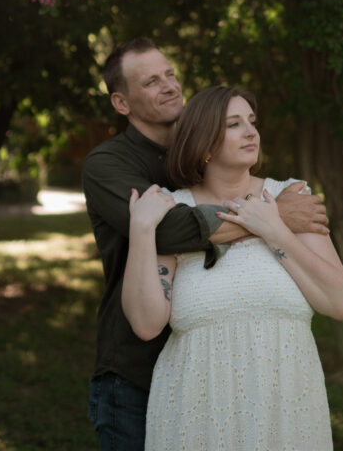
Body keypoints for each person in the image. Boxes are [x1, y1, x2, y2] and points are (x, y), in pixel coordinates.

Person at [83, 38, 330, 451]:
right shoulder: (108, 164)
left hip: (219, 367)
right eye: (150, 82)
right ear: (121, 103)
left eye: (170, 74)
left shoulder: (203, 155)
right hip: (134, 372)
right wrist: (275, 219)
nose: (168, 86)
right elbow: (171, 231)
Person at [121, 84, 343, 451]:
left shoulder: (292, 198)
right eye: (233, 124)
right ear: (204, 142)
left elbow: (339, 303)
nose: (251, 131)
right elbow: (147, 324)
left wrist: (275, 229)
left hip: (288, 410)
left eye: (252, 121)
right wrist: (142, 229)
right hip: (197, 415)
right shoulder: (175, 213)